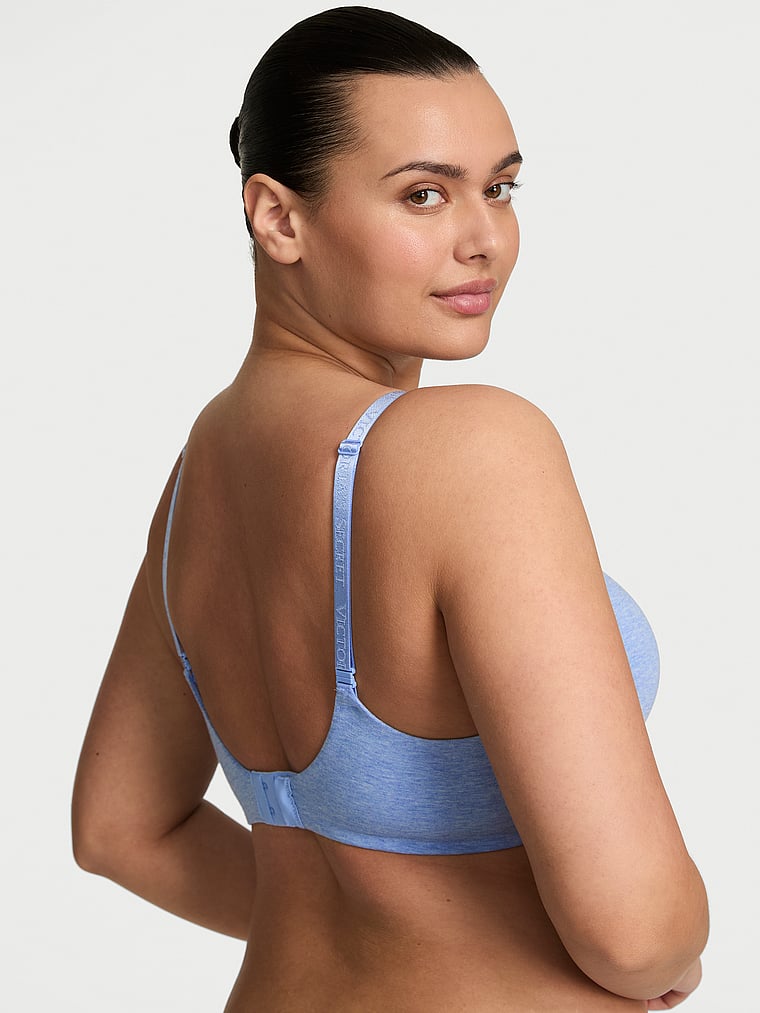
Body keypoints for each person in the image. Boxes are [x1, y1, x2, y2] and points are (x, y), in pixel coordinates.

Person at [71, 7, 708, 1010]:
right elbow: (634, 931)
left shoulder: (201, 474)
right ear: (278, 218)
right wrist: (671, 957)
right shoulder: (473, 447)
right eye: (423, 194)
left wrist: (371, 923)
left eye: (499, 188)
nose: (483, 238)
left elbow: (121, 829)